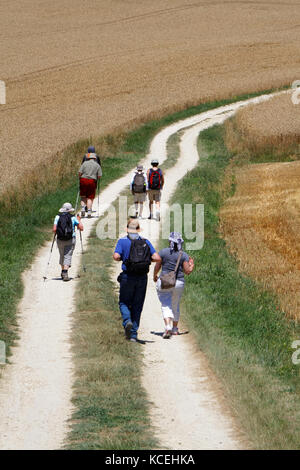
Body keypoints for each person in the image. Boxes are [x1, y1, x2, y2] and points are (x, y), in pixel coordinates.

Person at [113, 219, 161, 342]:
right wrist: (145, 260)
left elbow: (116, 256)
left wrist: (124, 258)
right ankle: (133, 335)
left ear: (127, 229)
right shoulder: (145, 242)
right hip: (141, 278)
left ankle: (127, 320)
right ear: (138, 229)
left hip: (128, 276)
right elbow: (157, 257)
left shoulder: (122, 241)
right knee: (137, 305)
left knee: (123, 302)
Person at [153, 232, 194, 338]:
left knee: (166, 304)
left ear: (170, 241)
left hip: (165, 282)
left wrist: (155, 276)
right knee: (175, 304)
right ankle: (175, 329)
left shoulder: (163, 252)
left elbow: (157, 266)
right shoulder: (183, 255)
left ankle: (167, 326)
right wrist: (192, 264)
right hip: (179, 282)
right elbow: (187, 271)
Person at [53, 202, 84, 282]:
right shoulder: (73, 217)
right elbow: (81, 228)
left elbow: (54, 229)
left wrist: (58, 233)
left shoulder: (57, 217)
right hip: (70, 239)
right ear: (70, 210)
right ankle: (65, 273)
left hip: (60, 239)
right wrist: (79, 220)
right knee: (68, 255)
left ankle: (63, 271)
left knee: (62, 255)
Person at [78, 152, 102, 218]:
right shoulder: (97, 165)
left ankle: (83, 208)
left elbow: (80, 172)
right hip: (92, 181)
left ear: (88, 158)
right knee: (90, 197)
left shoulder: (84, 163)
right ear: (94, 158)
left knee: (83, 196)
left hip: (83, 180)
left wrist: (80, 178)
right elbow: (99, 176)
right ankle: (89, 211)